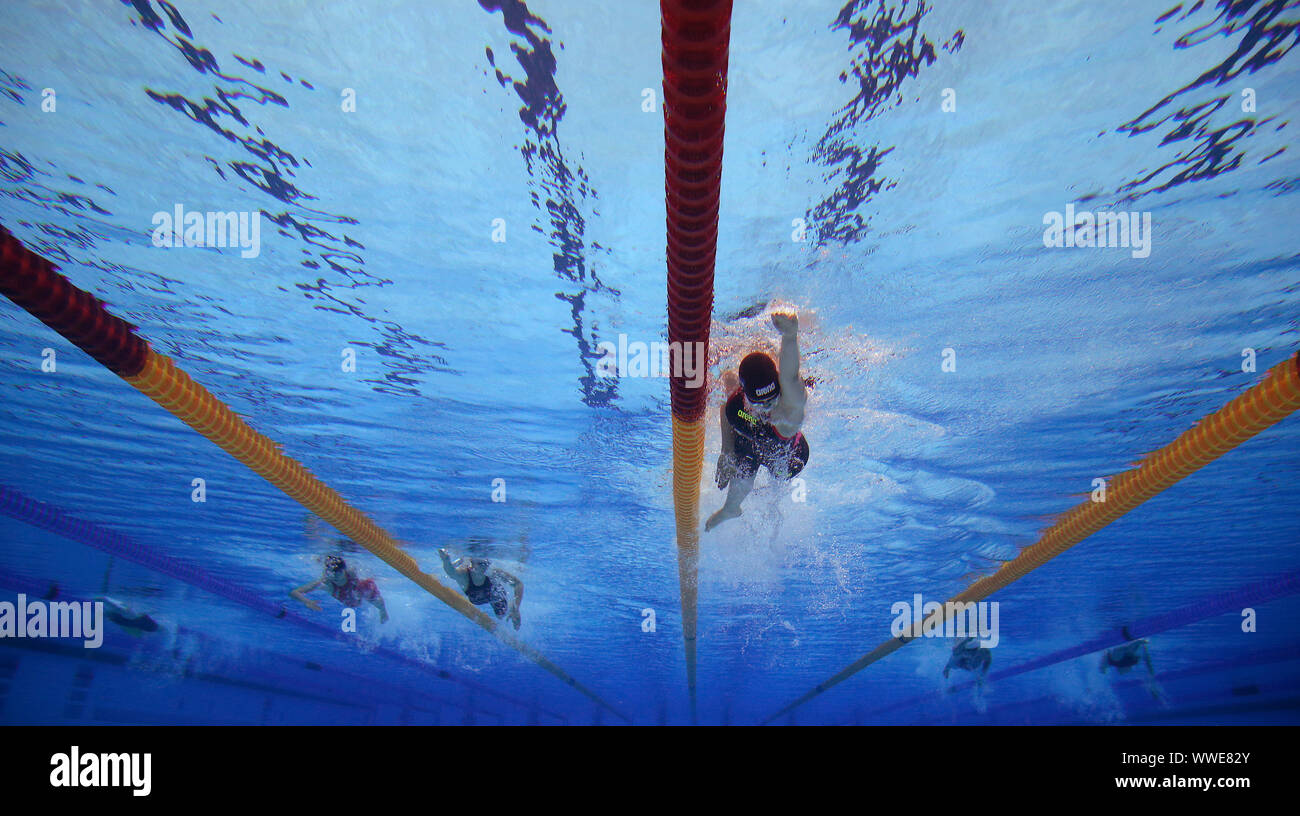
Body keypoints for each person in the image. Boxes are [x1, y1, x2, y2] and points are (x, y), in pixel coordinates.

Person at [706, 312, 810, 532]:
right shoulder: (739, 405)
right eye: (759, 403)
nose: (768, 408)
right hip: (752, 443)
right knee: (741, 470)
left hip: (786, 456)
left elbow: (790, 377)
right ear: (746, 395)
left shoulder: (787, 412)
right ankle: (731, 509)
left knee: (777, 484)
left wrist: (790, 336)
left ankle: (773, 511)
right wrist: (726, 451)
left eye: (773, 399)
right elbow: (726, 411)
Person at [438, 548, 523, 630]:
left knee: (501, 616)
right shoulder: (464, 575)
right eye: (480, 564)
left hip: (495, 597)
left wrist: (516, 608)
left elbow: (518, 584)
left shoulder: (494, 573)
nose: (484, 566)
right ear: (471, 566)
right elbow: (451, 572)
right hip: (477, 595)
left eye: (485, 563)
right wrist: (445, 560)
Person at [291, 555, 389, 623]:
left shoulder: (351, 572)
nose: (335, 576)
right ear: (328, 572)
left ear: (344, 570)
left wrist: (382, 610)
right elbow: (294, 592)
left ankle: (383, 612)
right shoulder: (326, 582)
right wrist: (307, 602)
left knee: (370, 590)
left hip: (358, 591)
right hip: (347, 600)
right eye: (332, 573)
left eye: (339, 573)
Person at [1101, 637, 1165, 701]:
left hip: (1124, 659)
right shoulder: (1115, 660)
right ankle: (1136, 644)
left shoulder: (1114, 659)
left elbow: (1148, 665)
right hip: (1126, 659)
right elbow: (1148, 665)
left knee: (1120, 654)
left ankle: (1136, 644)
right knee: (1122, 654)